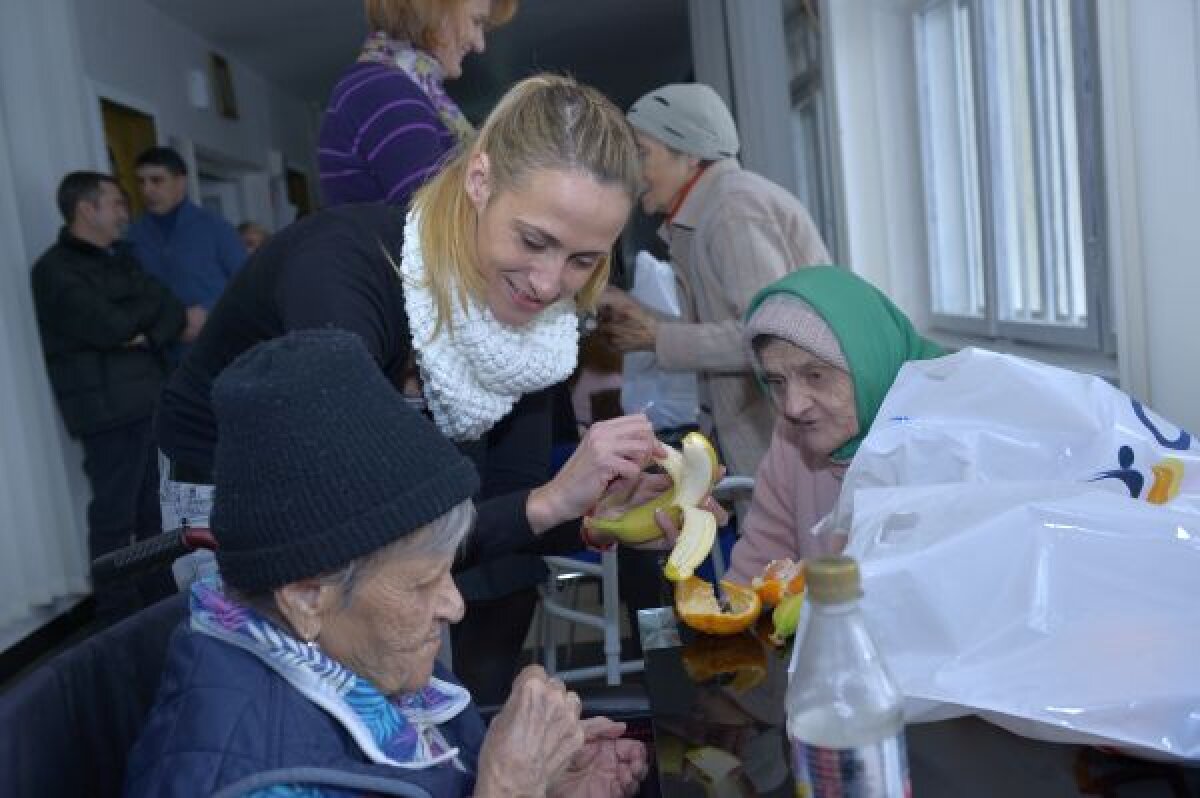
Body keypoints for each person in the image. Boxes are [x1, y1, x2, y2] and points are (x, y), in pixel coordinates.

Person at [155, 74, 658, 702]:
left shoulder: (533, 336)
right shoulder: (342, 269)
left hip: (385, 520)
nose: (549, 283)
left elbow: (492, 516)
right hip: (237, 497)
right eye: (534, 240)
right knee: (282, 710)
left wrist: (595, 514)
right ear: (480, 181)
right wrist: (548, 502)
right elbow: (362, 525)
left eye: (584, 260)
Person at [125, 329, 648, 797]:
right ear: (307, 596)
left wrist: (548, 783)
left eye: (445, 572)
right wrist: (509, 789)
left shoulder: (349, 653)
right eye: (422, 583)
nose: (455, 605)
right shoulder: (257, 781)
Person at [599, 83, 831, 491]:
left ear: (689, 155)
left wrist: (657, 337)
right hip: (775, 445)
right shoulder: (707, 212)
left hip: (793, 450)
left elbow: (772, 338)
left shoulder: (732, 210)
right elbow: (731, 326)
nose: (632, 174)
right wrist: (644, 320)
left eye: (642, 154)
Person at [723, 266, 944, 585]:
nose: (792, 406)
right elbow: (755, 570)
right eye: (777, 381)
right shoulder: (792, 440)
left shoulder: (946, 439)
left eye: (815, 375)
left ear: (868, 362)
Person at [30, 171, 185, 620]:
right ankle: (116, 622)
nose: (125, 212)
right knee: (115, 521)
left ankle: (161, 609)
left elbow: (170, 308)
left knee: (155, 517)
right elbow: (111, 327)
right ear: (86, 209)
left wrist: (142, 332)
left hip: (149, 400)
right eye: (116, 203)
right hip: (108, 415)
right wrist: (138, 322)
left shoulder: (122, 258)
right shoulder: (54, 270)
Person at [319, 0, 518, 209]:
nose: (480, 44)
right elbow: (436, 220)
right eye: (476, 22)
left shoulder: (394, 86)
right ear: (436, 10)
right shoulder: (387, 90)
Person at [125, 146, 246, 350]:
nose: (147, 190)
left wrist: (209, 310)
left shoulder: (215, 227)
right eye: (141, 182)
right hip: (163, 351)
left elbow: (246, 282)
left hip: (217, 344)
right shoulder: (133, 235)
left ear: (180, 182)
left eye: (157, 180)